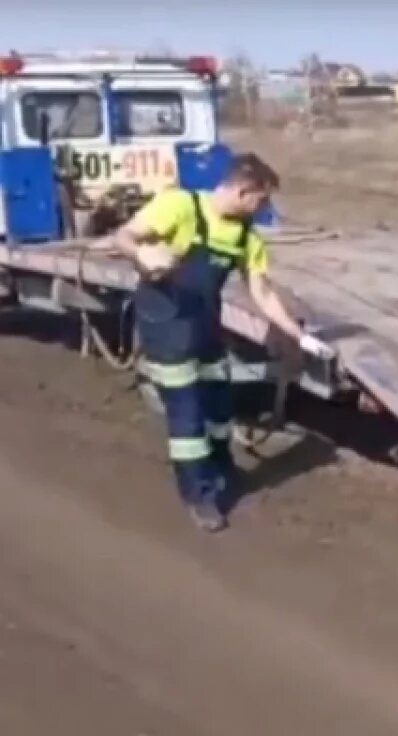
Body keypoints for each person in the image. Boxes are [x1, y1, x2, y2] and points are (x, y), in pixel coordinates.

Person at [113, 153, 334, 532]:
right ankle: (199, 496)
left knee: (218, 409)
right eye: (260, 201)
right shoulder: (180, 205)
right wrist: (142, 252)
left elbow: (261, 292)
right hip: (166, 324)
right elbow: (125, 236)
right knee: (188, 416)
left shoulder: (246, 236)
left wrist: (298, 336)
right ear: (243, 191)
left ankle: (222, 469)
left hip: (205, 326)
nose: (263, 210)